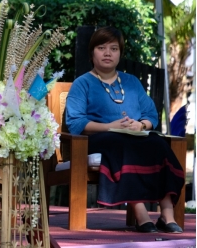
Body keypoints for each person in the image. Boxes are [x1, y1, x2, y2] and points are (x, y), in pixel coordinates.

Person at [65, 26, 185, 233]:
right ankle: (141, 214)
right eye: (101, 48)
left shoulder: (131, 83)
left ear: (120, 53)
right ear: (92, 53)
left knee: (158, 143)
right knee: (121, 143)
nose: (108, 53)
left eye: (113, 48)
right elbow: (75, 123)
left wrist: (141, 125)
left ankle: (166, 214)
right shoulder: (82, 83)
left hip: (133, 137)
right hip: (97, 139)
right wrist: (110, 127)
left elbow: (151, 116)